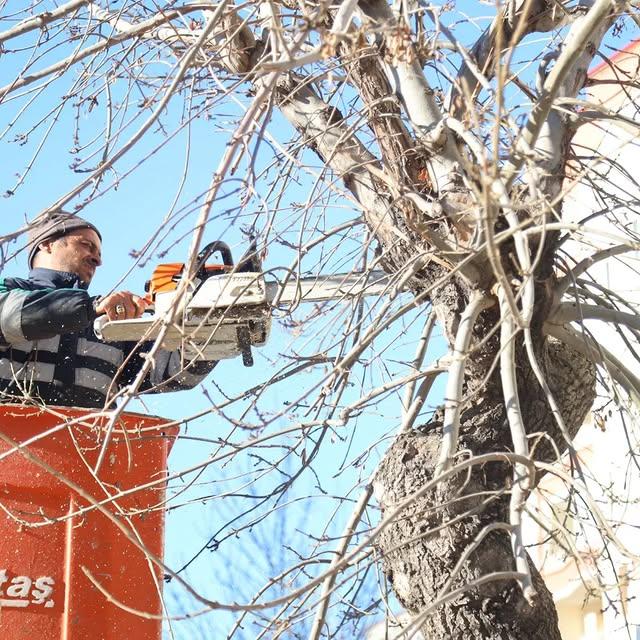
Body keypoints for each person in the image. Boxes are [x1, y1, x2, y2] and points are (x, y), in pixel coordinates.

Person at [0, 212, 216, 408]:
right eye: (86, 245)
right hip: (10, 442)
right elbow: (14, 314)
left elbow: (172, 372)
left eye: (99, 252)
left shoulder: (109, 328)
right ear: (47, 244)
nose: (98, 259)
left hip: (91, 448)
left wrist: (213, 324)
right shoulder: (8, 291)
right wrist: (90, 306)